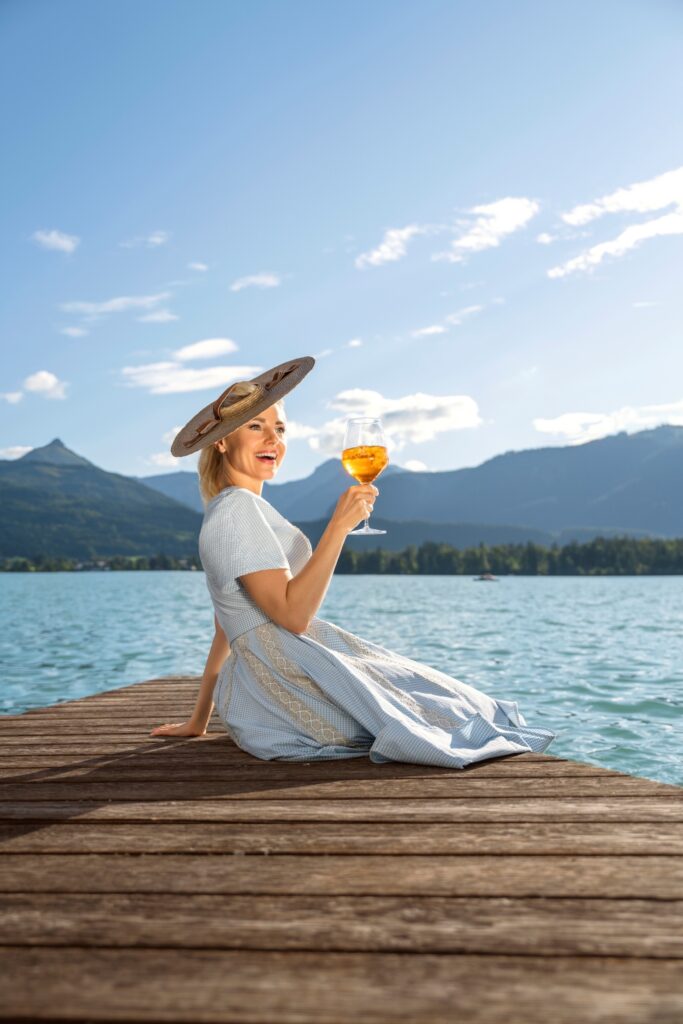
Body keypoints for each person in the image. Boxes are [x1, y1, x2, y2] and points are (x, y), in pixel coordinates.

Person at [151, 355, 556, 767]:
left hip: (266, 680)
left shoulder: (229, 509)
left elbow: (226, 623)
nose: (272, 439)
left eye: (280, 428)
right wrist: (339, 528)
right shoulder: (238, 510)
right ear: (221, 441)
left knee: (425, 696)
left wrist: (199, 719)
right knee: (433, 711)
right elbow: (292, 618)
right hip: (283, 683)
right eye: (255, 426)